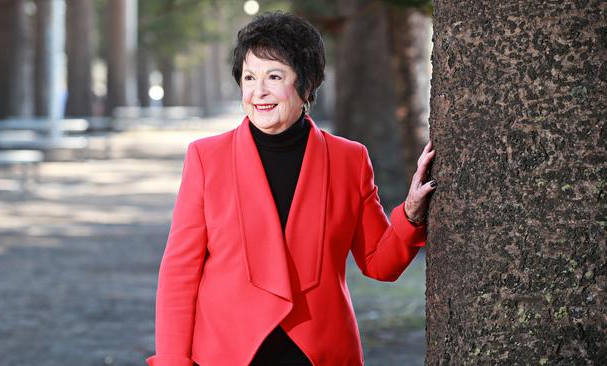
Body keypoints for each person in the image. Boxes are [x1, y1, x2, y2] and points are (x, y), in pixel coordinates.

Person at [146, 11, 436, 366]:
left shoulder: (349, 159)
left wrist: (410, 212)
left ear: (306, 84)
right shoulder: (206, 158)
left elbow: (379, 264)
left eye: (274, 76)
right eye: (249, 77)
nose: (259, 91)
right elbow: (180, 273)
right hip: (229, 354)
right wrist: (174, 361)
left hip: (319, 353)